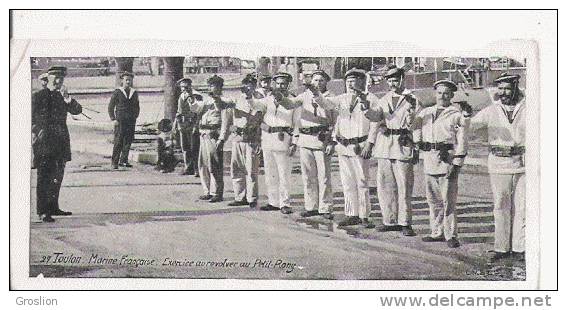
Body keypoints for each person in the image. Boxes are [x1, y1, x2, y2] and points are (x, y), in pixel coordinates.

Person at [469, 72, 526, 262]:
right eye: (500, 88)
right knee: (501, 205)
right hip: (498, 164)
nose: (503, 92)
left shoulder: (528, 107)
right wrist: (465, 116)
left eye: (507, 88)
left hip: (523, 164)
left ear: (515, 88)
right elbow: (471, 126)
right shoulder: (491, 110)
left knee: (522, 207)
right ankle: (501, 248)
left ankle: (520, 247)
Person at [313, 68, 380, 228]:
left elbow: (375, 123)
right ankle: (352, 214)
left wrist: (370, 144)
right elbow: (326, 104)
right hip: (344, 145)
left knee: (362, 181)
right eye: (348, 81)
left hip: (360, 145)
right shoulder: (341, 98)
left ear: (362, 82)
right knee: (347, 182)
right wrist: (315, 93)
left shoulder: (371, 98)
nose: (350, 83)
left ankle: (364, 216)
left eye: (354, 80)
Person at [413, 80, 470, 248]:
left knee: (448, 200)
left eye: (446, 93)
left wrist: (457, 162)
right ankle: (436, 231)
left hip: (447, 159)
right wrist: (417, 143)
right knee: (433, 200)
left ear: (452, 95)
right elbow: (416, 127)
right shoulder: (426, 112)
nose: (442, 96)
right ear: (435, 94)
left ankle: (451, 234)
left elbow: (462, 139)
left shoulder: (456, 114)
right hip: (429, 158)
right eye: (439, 93)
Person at [371, 65, 421, 236]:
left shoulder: (411, 98)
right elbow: (375, 116)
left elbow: (417, 123)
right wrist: (365, 106)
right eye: (389, 80)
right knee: (385, 184)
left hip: (403, 142)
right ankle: (389, 220)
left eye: (395, 79)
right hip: (385, 145)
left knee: (404, 185)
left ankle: (405, 222)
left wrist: (417, 145)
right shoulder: (383, 99)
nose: (392, 83)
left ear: (402, 79)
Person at [31, 66, 82, 222]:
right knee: (44, 177)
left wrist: (68, 98)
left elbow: (77, 110)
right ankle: (43, 211)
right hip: (45, 142)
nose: (59, 81)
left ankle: (53, 206)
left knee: (57, 176)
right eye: (55, 78)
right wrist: (36, 132)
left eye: (61, 79)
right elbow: (30, 118)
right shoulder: (38, 96)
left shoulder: (62, 97)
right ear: (48, 79)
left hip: (60, 142)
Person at [247, 72, 301, 214]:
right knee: (270, 173)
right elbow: (256, 106)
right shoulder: (268, 99)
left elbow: (297, 123)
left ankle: (285, 203)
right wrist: (248, 97)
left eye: (283, 83)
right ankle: (273, 201)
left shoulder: (293, 101)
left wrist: (294, 142)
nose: (280, 86)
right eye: (278, 83)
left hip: (284, 139)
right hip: (268, 138)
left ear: (288, 84)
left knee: (284, 174)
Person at [285, 70, 335, 219]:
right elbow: (290, 104)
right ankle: (311, 206)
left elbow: (335, 120)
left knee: (324, 176)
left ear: (326, 82)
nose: (317, 83)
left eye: (321, 80)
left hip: (321, 139)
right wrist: (280, 96)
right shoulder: (305, 95)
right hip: (305, 138)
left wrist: (332, 140)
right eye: (315, 80)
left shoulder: (331, 97)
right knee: (308, 175)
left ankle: (325, 208)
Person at [224, 74, 263, 208]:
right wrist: (230, 127)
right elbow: (228, 113)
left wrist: (259, 140)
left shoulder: (259, 99)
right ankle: (240, 196)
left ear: (254, 86)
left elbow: (260, 120)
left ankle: (252, 198)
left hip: (251, 139)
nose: (248, 87)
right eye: (246, 84)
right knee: (236, 169)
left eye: (251, 84)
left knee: (251, 170)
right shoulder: (237, 99)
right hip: (238, 138)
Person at [193, 75, 233, 203]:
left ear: (220, 87)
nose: (211, 88)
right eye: (210, 85)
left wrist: (222, 139)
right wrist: (189, 97)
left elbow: (226, 122)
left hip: (213, 135)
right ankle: (207, 191)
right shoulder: (207, 101)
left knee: (215, 164)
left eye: (213, 85)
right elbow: (195, 109)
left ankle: (217, 192)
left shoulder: (225, 101)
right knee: (203, 164)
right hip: (203, 134)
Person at [108, 71, 140, 169]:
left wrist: (135, 116)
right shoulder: (117, 92)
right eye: (126, 80)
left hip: (130, 121)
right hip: (120, 121)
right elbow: (110, 107)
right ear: (122, 81)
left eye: (130, 80)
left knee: (128, 141)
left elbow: (137, 107)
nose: (128, 82)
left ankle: (124, 160)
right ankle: (114, 162)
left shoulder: (134, 93)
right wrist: (113, 119)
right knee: (118, 141)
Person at [175, 77, 202, 176]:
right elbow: (179, 111)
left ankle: (197, 169)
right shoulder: (181, 97)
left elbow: (199, 112)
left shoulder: (196, 96)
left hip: (192, 124)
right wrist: (177, 124)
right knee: (185, 147)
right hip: (183, 124)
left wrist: (196, 126)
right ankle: (188, 167)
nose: (184, 89)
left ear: (190, 86)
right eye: (182, 87)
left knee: (194, 147)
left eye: (186, 86)